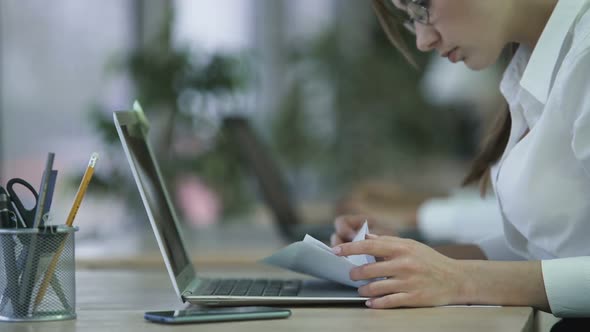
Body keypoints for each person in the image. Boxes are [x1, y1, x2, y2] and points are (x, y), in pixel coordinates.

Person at [330, 0, 590, 318]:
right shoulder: (535, 61)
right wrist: (416, 262)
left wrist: (461, 279)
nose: (423, 40)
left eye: (422, 8)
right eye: (412, 19)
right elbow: (547, 249)